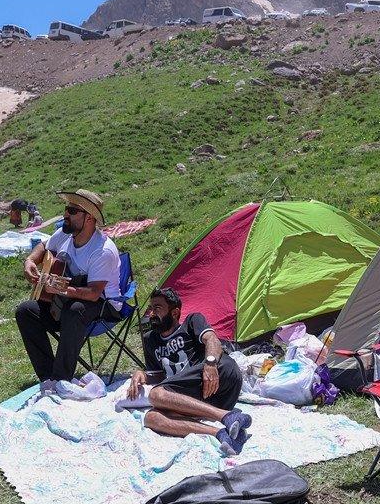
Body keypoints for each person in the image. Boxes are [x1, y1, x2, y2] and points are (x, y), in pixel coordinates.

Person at [120, 288, 251, 456]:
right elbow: (160, 374)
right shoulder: (150, 339)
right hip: (195, 398)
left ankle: (228, 417)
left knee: (156, 395)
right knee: (151, 418)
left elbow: (212, 339)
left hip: (218, 377)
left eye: (157, 308)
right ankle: (222, 433)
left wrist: (210, 364)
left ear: (174, 313)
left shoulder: (191, 322)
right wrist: (143, 374)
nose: (152, 313)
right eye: (151, 308)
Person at [15, 189, 122, 385]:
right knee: (25, 311)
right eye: (67, 208)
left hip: (103, 304)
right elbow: (44, 247)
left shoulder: (102, 250)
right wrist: (30, 260)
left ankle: (61, 379)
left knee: (74, 312)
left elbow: (94, 293)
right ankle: (48, 377)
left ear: (89, 218)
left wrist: (62, 290)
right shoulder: (64, 233)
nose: (65, 214)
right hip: (65, 300)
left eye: (72, 210)